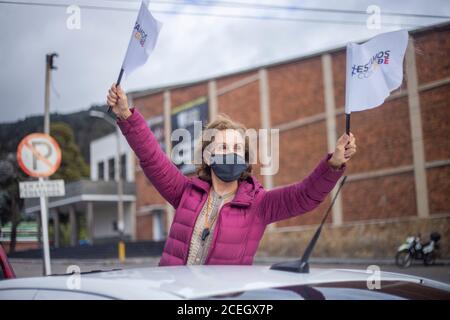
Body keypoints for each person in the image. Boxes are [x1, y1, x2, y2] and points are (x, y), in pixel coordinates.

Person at [106, 84, 357, 266]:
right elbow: (152, 158)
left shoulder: (260, 204)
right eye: (223, 148)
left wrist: (333, 165)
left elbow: (305, 196)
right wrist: (126, 115)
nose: (231, 153)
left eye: (237, 148)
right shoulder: (186, 193)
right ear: (207, 156)